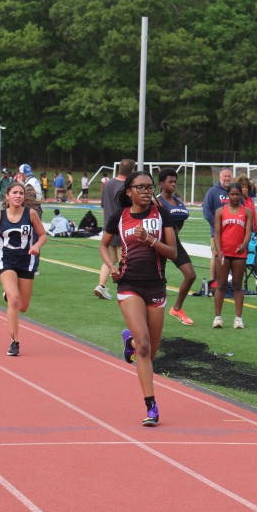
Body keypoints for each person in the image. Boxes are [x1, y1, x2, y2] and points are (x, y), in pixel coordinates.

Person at [99, 171, 177, 427]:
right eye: (140, 187)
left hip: (156, 286)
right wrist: (111, 265)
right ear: (129, 191)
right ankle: (151, 406)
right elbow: (104, 244)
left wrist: (150, 240)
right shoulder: (119, 217)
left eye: (149, 187)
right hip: (129, 284)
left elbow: (173, 252)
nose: (145, 191)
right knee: (143, 346)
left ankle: (129, 340)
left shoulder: (162, 215)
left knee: (151, 350)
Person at [0, 181, 48, 356]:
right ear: (7, 196)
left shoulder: (31, 214)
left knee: (23, 306)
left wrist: (36, 246)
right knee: (14, 300)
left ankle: (8, 293)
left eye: (21, 193)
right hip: (6, 259)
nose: (18, 196)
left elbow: (43, 235)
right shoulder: (0, 216)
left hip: (26, 260)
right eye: (14, 192)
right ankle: (14, 342)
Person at [155, 168, 197, 326]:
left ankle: (177, 308)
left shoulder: (178, 201)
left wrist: (174, 234)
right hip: (158, 244)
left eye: (175, 181)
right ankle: (150, 312)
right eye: (170, 181)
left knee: (190, 275)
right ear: (161, 183)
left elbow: (180, 221)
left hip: (174, 242)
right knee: (157, 281)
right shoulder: (156, 201)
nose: (173, 184)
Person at [213, 183, 253, 329]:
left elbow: (248, 231)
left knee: (237, 284)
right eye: (232, 194)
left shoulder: (247, 211)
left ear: (241, 195)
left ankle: (238, 318)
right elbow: (217, 233)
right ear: (227, 195)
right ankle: (218, 317)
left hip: (239, 254)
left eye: (237, 194)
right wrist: (219, 251)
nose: (235, 197)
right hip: (223, 253)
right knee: (221, 284)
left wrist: (244, 244)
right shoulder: (220, 211)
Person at [94, 159, 135, 300]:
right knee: (127, 260)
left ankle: (101, 285)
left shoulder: (108, 184)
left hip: (108, 228)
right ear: (132, 170)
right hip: (123, 228)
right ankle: (128, 289)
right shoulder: (128, 186)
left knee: (110, 260)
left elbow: (103, 205)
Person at [203, 167, 234, 286]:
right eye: (224, 176)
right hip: (217, 233)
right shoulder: (212, 192)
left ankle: (230, 283)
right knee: (216, 256)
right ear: (220, 177)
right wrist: (217, 226)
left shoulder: (235, 191)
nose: (227, 178)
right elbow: (207, 211)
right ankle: (213, 282)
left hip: (233, 233)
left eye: (229, 176)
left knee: (232, 257)